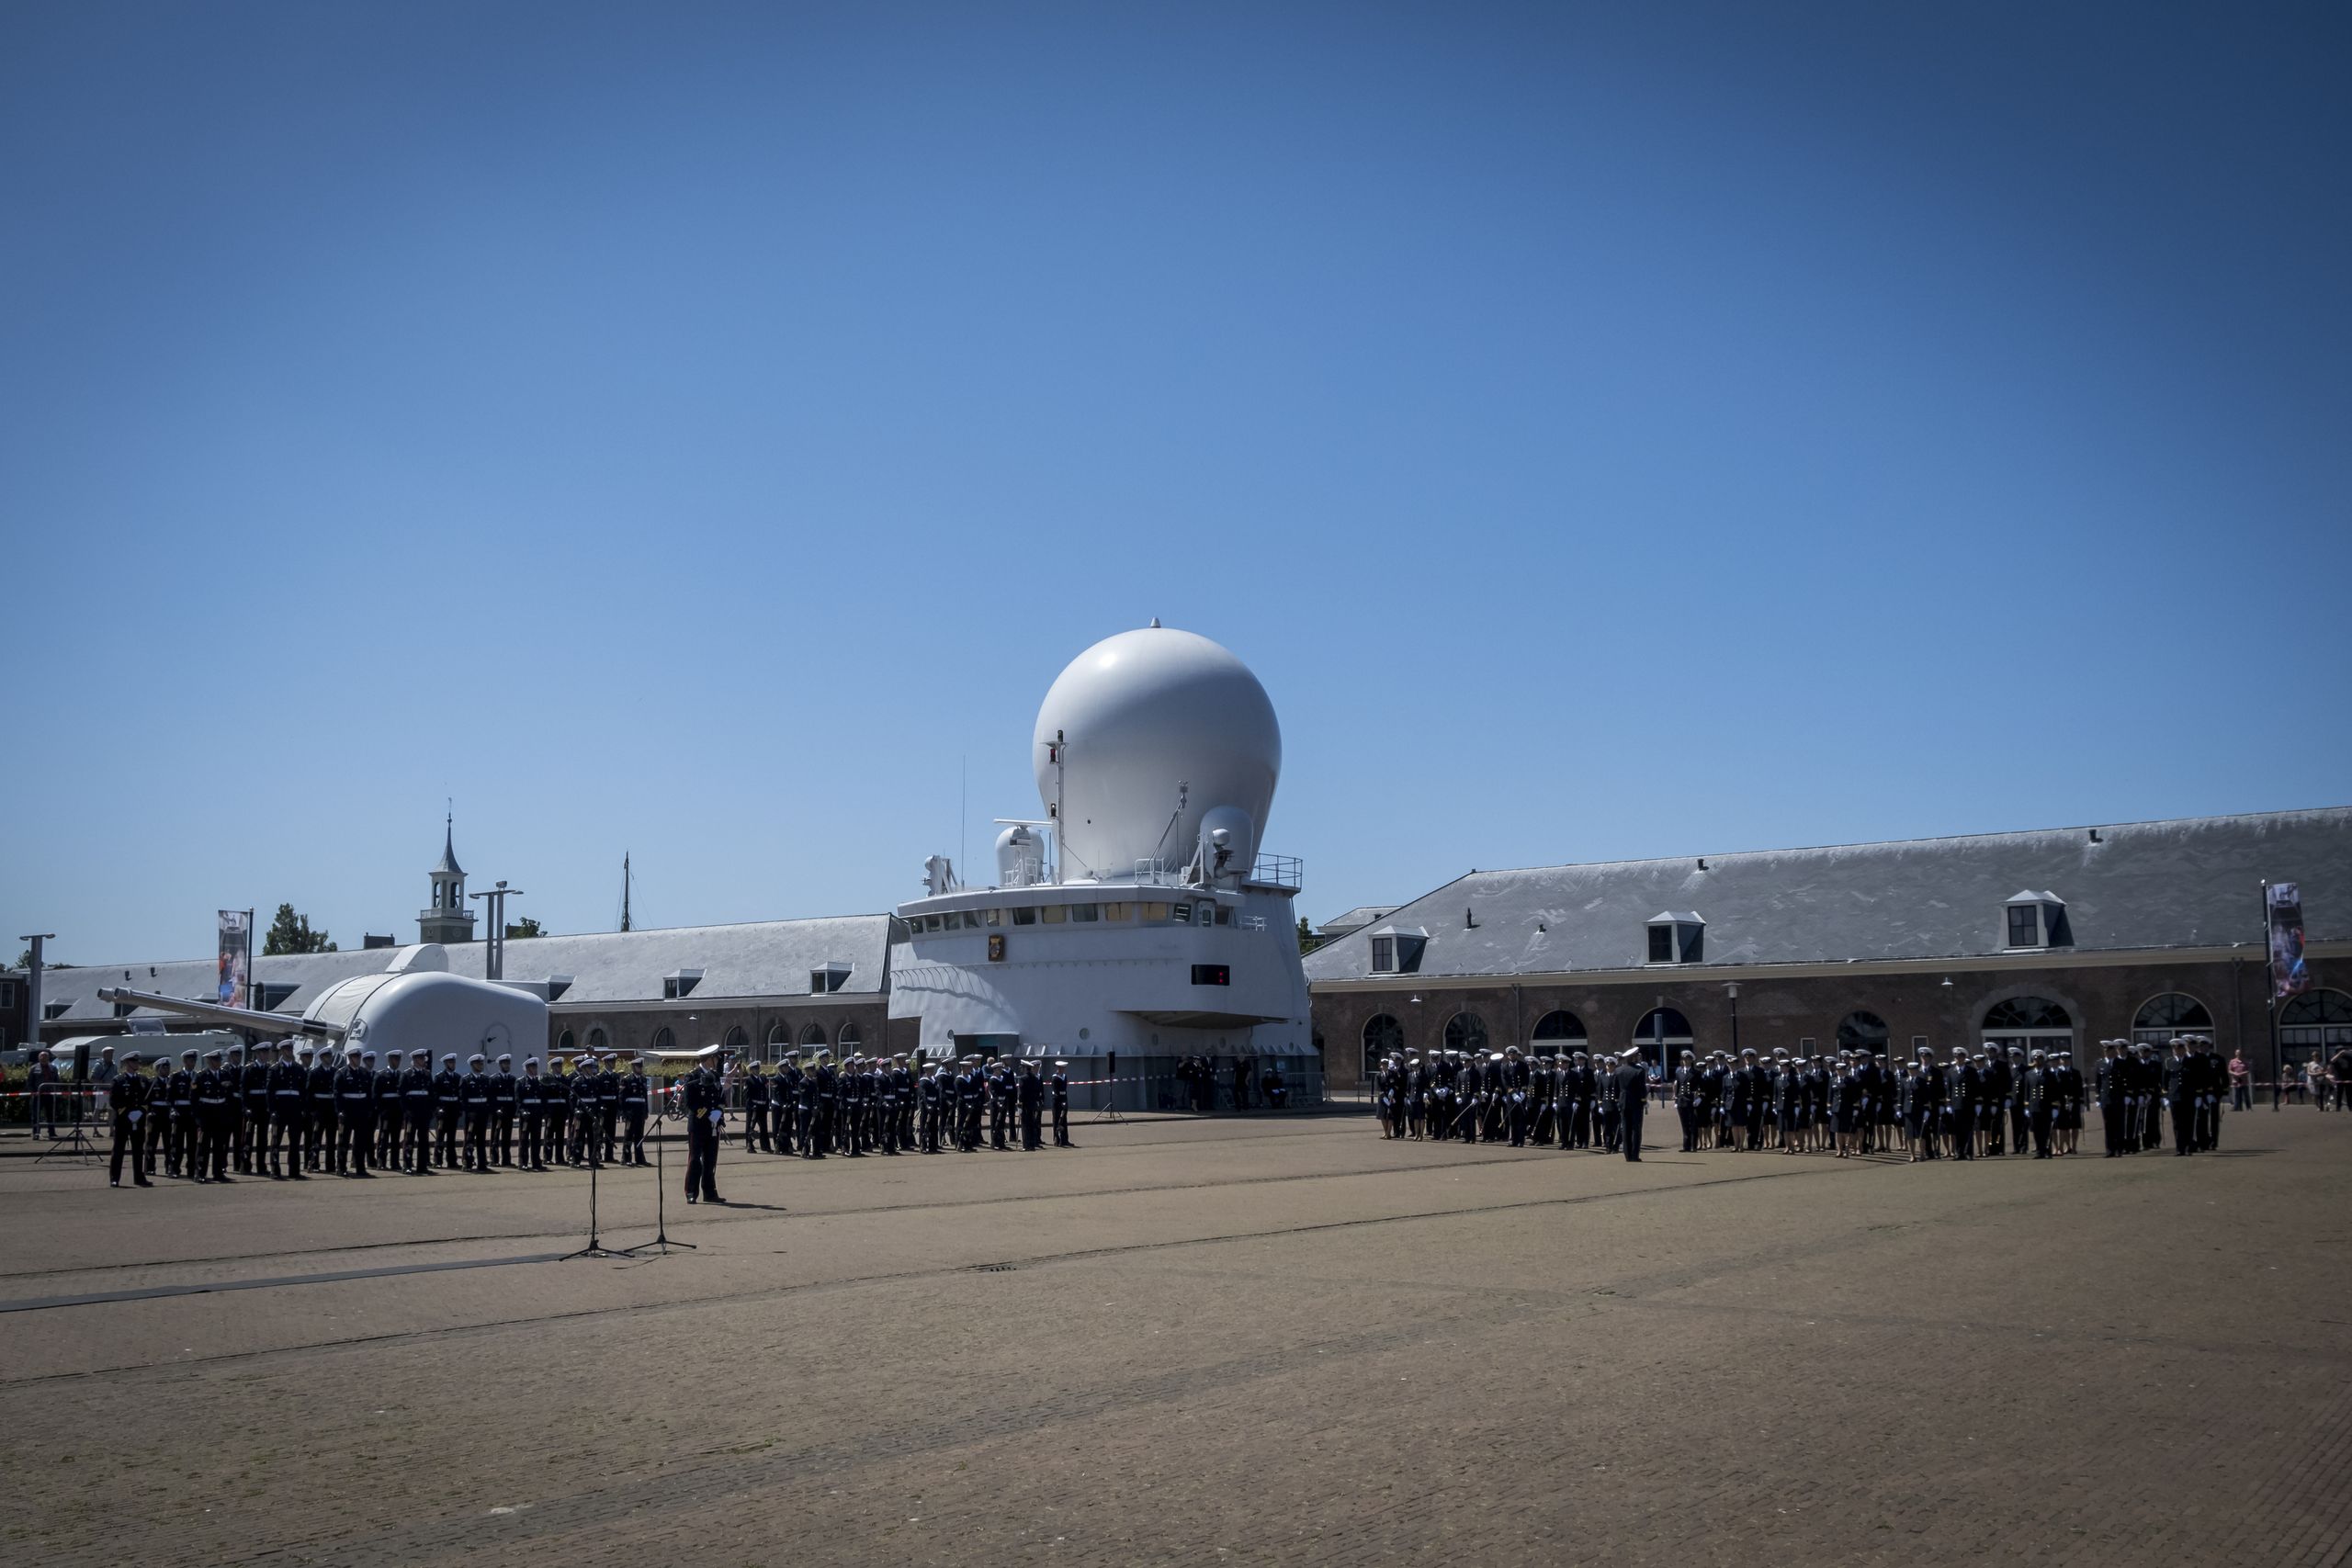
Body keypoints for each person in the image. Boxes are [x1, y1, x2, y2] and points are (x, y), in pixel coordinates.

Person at [681, 1056, 724, 1203]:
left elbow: (720, 1097)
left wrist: (719, 1111)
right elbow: (689, 1103)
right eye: (715, 1059)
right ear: (708, 1059)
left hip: (713, 1124)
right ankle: (691, 1191)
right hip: (699, 1124)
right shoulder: (693, 1076)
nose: (717, 1062)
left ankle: (710, 1192)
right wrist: (706, 1114)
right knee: (695, 1160)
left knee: (710, 1160)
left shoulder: (715, 1076)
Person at [336, 1050, 377, 1177]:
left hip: (361, 1112)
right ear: (350, 1058)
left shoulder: (364, 1073)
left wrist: (369, 1109)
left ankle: (360, 1167)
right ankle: (341, 1167)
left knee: (361, 1142)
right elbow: (337, 1094)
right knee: (344, 1141)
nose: (358, 1059)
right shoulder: (342, 1073)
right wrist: (340, 1111)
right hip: (348, 1111)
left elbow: (369, 1093)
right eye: (355, 1057)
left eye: (359, 1057)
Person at [1613, 1049, 1645, 1162]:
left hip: (1623, 1102)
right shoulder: (1639, 1071)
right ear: (1633, 1057)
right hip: (1636, 1102)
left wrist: (1618, 1100)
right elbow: (1642, 1089)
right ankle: (1634, 1155)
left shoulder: (1618, 1071)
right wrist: (1644, 1101)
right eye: (1636, 1056)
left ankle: (1627, 1155)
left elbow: (1615, 1089)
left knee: (1625, 1128)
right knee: (1636, 1129)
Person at [619, 1056, 651, 1165]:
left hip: (640, 1112)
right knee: (628, 1135)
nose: (640, 1068)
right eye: (638, 1066)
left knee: (639, 1136)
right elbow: (622, 1098)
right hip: (631, 1112)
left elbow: (645, 1097)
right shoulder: (627, 1080)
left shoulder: (643, 1079)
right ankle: (626, 1158)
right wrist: (624, 1112)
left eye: (641, 1066)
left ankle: (640, 1158)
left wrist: (646, 1111)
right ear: (633, 1067)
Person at [1049, 1059, 1072, 1144]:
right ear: (1058, 1068)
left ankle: (1064, 1139)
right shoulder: (1054, 1078)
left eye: (1063, 1068)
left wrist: (1065, 1102)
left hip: (1064, 1099)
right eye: (1061, 1068)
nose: (1062, 1070)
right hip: (1057, 1101)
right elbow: (1056, 1091)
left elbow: (1064, 1090)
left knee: (1064, 1120)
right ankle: (1056, 1138)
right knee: (1056, 1119)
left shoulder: (1064, 1077)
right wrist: (1061, 1100)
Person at [2229, 1047, 2252, 1111]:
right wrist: (2235, 1073)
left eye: (2240, 1053)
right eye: (2238, 1053)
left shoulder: (2245, 1061)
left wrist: (2243, 1073)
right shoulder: (2232, 1061)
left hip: (2244, 1081)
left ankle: (2249, 1107)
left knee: (2246, 1095)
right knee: (2237, 1095)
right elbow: (2229, 1070)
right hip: (2236, 1081)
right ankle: (2238, 1108)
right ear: (2236, 1054)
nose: (2239, 1054)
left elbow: (2249, 1070)